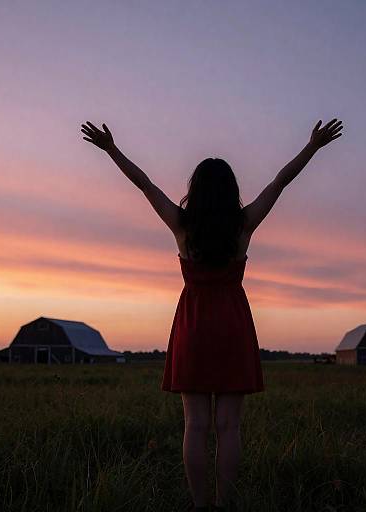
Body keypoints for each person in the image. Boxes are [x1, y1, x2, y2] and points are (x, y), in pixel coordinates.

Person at [80, 117, 343, 511]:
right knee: (228, 427)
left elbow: (145, 184)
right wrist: (312, 147)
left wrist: (112, 149)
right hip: (233, 325)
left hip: (193, 326)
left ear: (195, 191)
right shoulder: (243, 225)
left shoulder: (182, 226)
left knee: (195, 425)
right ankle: (224, 503)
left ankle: (201, 505)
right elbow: (279, 183)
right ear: (231, 191)